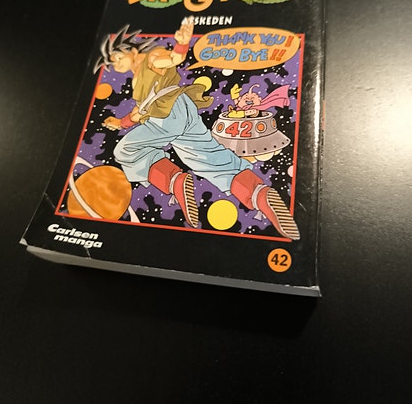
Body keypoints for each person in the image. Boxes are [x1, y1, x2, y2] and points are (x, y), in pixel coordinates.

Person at [93, 17, 300, 240]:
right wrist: (120, 123)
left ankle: (174, 180)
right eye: (112, 63)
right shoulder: (138, 77)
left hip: (168, 115)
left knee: (126, 150)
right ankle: (259, 194)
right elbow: (140, 111)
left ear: (132, 50)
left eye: (117, 57)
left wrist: (182, 44)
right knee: (207, 157)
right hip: (182, 110)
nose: (116, 64)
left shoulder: (151, 57)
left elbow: (173, 59)